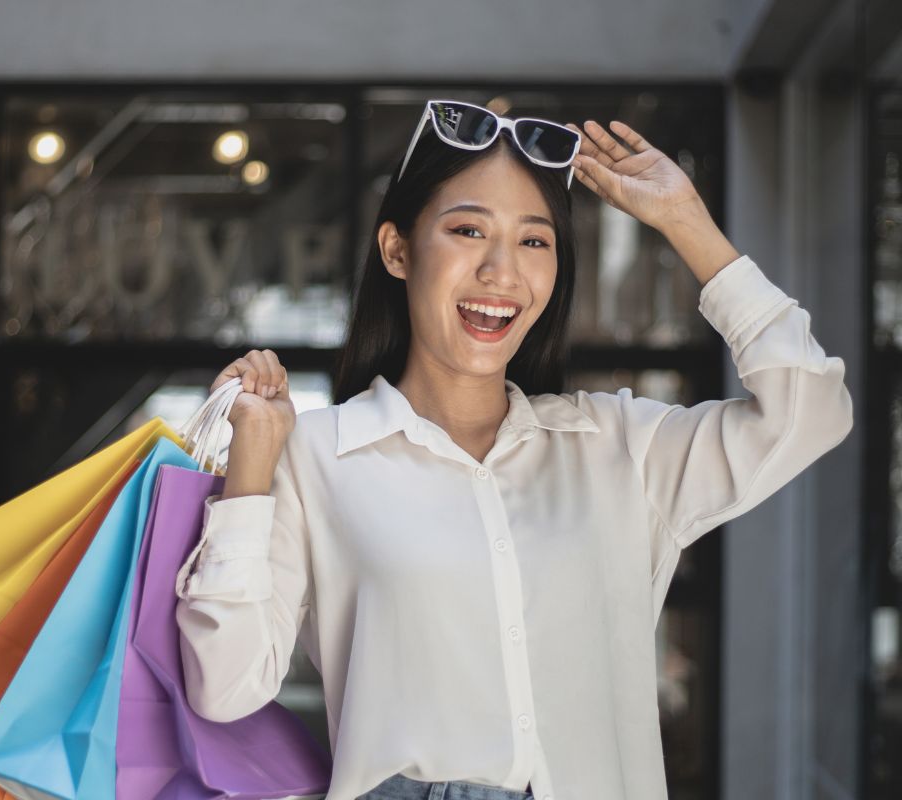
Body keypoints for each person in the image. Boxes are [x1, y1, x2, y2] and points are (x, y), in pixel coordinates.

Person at [173, 100, 854, 800]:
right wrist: (251, 466)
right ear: (397, 250)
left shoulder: (619, 448)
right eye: (469, 230)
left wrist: (686, 221)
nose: (502, 272)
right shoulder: (317, 455)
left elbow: (811, 413)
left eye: (534, 241)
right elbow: (225, 687)